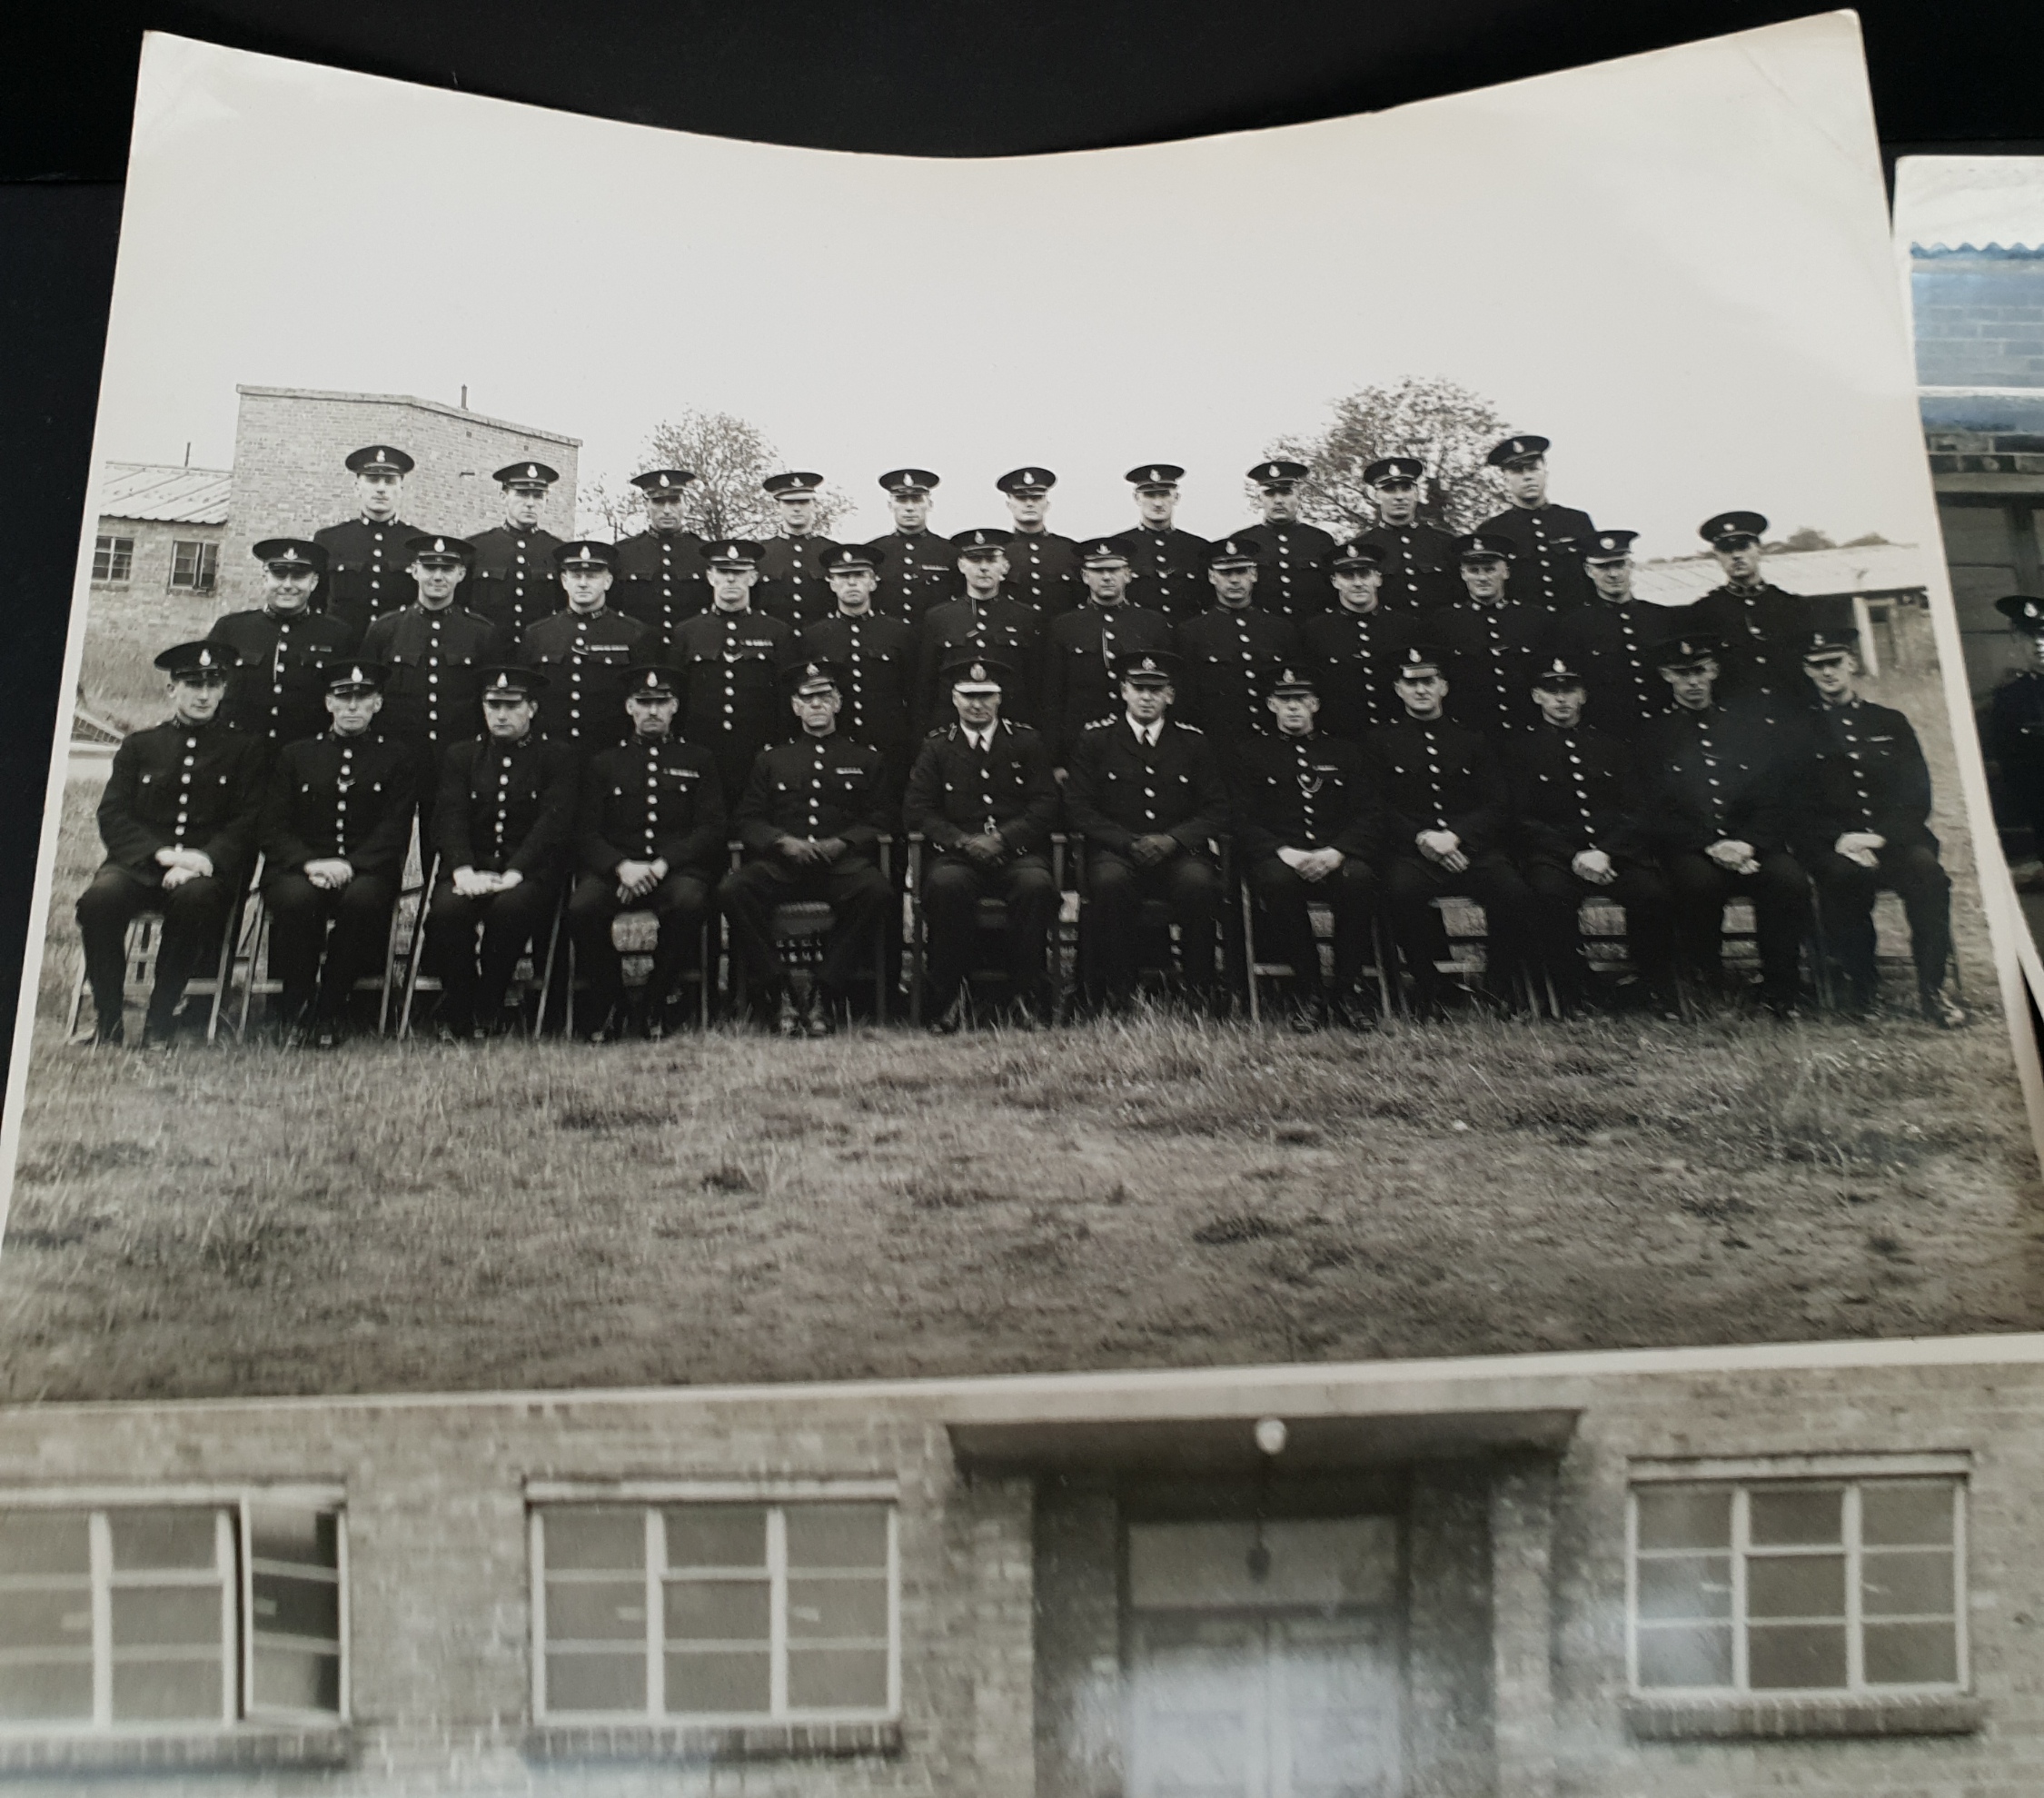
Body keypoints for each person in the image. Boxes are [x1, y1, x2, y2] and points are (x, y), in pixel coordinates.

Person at [75, 641, 265, 1047]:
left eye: (212, 685)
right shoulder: (139, 745)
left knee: (195, 900)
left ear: (223, 690)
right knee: (98, 901)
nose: (202, 695)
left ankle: (160, 1021)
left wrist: (202, 859)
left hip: (203, 872)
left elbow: (248, 821)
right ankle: (107, 1022)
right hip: (139, 866)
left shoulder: (244, 750)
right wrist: (161, 855)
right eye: (192, 684)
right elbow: (113, 814)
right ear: (171, 689)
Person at [1797, 627, 1967, 1026]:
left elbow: (1916, 793)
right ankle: (1861, 986)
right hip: (1834, 845)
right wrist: (1840, 840)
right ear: (1806, 671)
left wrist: (1878, 836)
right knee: (1841, 879)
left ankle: (1933, 990)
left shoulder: (1890, 721)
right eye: (1818, 666)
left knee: (1929, 877)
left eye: (1835, 663)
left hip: (1893, 838)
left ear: (1851, 663)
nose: (1828, 673)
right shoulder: (1797, 732)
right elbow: (1795, 803)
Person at [1636, 633, 1811, 1018]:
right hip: (1690, 847)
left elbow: (1772, 796)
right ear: (1667, 677)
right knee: (1700, 886)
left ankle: (1782, 989)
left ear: (1714, 671)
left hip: (1751, 845)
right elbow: (1652, 809)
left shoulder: (1747, 729)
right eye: (1682, 674)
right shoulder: (1653, 736)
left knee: (1788, 881)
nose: (1693, 682)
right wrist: (1711, 845)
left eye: (1699, 671)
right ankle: (1707, 985)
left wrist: (1747, 844)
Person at [719, 661, 895, 1037]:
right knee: (733, 890)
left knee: (877, 890)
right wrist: (782, 842)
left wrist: (843, 842)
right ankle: (777, 990)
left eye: (824, 697)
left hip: (839, 867)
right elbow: (747, 819)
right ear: (795, 707)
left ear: (838, 703)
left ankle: (825, 992)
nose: (816, 705)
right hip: (785, 866)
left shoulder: (865, 758)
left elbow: (881, 818)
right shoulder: (772, 759)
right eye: (807, 698)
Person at [1362, 644, 1534, 1018]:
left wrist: (1456, 837)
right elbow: (1377, 808)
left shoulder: (1472, 740)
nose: (1421, 690)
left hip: (1470, 850)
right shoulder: (1380, 742)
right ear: (1398, 690)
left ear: (1444, 687)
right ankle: (1430, 988)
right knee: (1400, 893)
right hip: (1412, 852)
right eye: (1412, 684)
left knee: (1514, 893)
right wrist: (1422, 838)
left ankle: (1497, 985)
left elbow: (1496, 803)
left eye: (1429, 682)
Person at [256, 659, 416, 1046]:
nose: (352, 708)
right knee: (297, 901)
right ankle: (296, 1008)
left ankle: (329, 1009)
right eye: (343, 698)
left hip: (367, 869)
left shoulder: (397, 757)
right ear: (328, 703)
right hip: (300, 867)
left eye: (363, 699)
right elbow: (273, 826)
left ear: (378, 704)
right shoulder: (296, 755)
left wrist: (351, 865)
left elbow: (394, 830)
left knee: (361, 903)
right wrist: (311, 863)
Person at [1506, 656, 1675, 1017]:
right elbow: (1522, 819)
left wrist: (1605, 852)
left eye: (1569, 691)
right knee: (1550, 895)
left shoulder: (1613, 747)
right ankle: (1572, 990)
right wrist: (1573, 855)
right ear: (1537, 697)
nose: (1561, 700)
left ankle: (1651, 988)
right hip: (1555, 855)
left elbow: (1638, 811)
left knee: (1652, 893)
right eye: (1552, 692)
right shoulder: (1521, 751)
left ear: (1583, 696)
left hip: (1615, 853)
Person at [1063, 651, 1230, 1013]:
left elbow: (1215, 808)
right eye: (1139, 688)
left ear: (1170, 695)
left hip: (1179, 852)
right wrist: (1126, 841)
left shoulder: (1192, 742)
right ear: (1123, 691)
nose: (1147, 697)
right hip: (1117, 852)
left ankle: (1199, 991)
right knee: (1108, 884)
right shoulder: (1097, 740)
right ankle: (1120, 991)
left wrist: (1174, 840)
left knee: (1200, 885)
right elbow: (1079, 807)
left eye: (1156, 690)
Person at [902, 653, 1062, 1032]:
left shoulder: (1026, 741)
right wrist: (961, 841)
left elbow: (1046, 803)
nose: (977, 704)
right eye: (968, 695)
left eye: (986, 695)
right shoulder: (938, 747)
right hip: (958, 856)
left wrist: (1005, 839)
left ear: (999, 698)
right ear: (954, 699)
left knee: (1036, 886)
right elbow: (918, 809)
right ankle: (950, 999)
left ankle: (1026, 997)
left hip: (1016, 853)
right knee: (945, 886)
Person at [568, 666, 726, 1041]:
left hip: (675, 870)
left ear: (675, 707)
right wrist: (620, 866)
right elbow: (585, 831)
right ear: (629, 708)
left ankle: (657, 995)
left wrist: (660, 865)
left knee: (690, 903)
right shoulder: (604, 763)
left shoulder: (699, 759)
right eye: (644, 703)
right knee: (582, 908)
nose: (653, 711)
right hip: (618, 872)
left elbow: (711, 828)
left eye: (662, 703)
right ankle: (611, 998)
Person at [423, 667, 579, 1041]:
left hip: (528, 873)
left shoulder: (556, 757)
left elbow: (551, 825)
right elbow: (451, 816)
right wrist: (462, 871)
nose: (501, 715)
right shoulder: (461, 756)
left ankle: (489, 1002)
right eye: (493, 705)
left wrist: (515, 872)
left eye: (512, 706)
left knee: (510, 910)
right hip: (472, 871)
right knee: (445, 914)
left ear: (532, 709)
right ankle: (462, 1000)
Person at [1231, 667, 1377, 1029]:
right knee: (1278, 884)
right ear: (1271, 705)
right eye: (1284, 701)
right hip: (1282, 856)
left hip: (1335, 855)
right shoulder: (1251, 754)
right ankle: (1309, 990)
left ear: (1315, 704)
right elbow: (1241, 817)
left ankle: (1346, 989)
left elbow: (1369, 812)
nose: (1293, 709)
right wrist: (1284, 851)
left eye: (1301, 701)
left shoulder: (1344, 752)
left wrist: (1336, 852)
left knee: (1359, 879)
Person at [358, 533, 503, 840]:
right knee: (384, 847)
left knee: (444, 845)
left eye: (448, 569)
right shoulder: (384, 629)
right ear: (414, 571)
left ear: (461, 575)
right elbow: (367, 697)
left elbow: (489, 700)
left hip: (456, 760)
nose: (438, 576)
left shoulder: (481, 633)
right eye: (429, 568)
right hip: (397, 758)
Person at [670, 539, 799, 803]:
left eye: (739, 573)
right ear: (710, 577)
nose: (731, 580)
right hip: (702, 745)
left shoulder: (777, 632)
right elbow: (676, 695)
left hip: (759, 748)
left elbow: (787, 699)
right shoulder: (686, 632)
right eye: (723, 572)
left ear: (752, 578)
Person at [206, 538, 354, 753]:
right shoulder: (231, 629)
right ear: (264, 578)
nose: (287, 585)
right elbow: (209, 691)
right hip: (239, 755)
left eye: (299, 577)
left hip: (307, 756)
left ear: (313, 583)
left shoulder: (337, 634)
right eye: (279, 575)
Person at [1041, 537, 1176, 769]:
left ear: (1128, 574)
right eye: (1098, 570)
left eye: (1114, 570)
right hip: (1080, 742)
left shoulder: (1152, 624)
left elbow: (1169, 691)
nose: (1106, 577)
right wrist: (1056, 761)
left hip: (1140, 741)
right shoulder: (1064, 626)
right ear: (1085, 576)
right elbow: (1052, 698)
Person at [1669, 511, 1813, 722]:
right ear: (1717, 556)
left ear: (1758, 550)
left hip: (1795, 721)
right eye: (1727, 550)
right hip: (1736, 726)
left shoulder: (1793, 607)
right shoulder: (1701, 613)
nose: (1736, 556)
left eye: (1743, 547)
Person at [518, 540, 650, 752]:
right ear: (563, 580)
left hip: (610, 750)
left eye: (592, 576)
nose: (583, 583)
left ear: (608, 581)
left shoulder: (633, 633)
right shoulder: (537, 633)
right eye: (576, 575)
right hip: (550, 751)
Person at [1548, 530, 1675, 744]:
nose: (1613, 574)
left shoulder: (1661, 617)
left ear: (1630, 566)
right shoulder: (1573, 626)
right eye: (1603, 567)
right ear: (1589, 570)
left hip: (1667, 731)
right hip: (1610, 735)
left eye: (1619, 564)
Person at [803, 543, 917, 780]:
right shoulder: (814, 636)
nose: (851, 583)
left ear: (873, 582)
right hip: (837, 743)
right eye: (843, 577)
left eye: (859, 576)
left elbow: (915, 692)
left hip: (890, 743)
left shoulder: (899, 633)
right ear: (832, 583)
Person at [915, 528, 1045, 728]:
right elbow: (926, 684)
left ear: (1005, 567)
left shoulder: (1026, 617)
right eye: (975, 561)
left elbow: (1036, 682)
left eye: (991, 561)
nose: (983, 568)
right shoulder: (939, 617)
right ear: (961, 566)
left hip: (1013, 726)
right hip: (951, 727)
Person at [1175, 537, 1300, 742]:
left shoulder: (1280, 629)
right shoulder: (1191, 632)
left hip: (1274, 741)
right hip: (1219, 739)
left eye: (1241, 572)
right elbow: (1187, 696)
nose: (1234, 580)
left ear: (1254, 575)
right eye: (1225, 573)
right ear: (1212, 577)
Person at [1431, 531, 1546, 743]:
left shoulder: (1533, 618)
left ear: (1506, 572)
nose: (1482, 578)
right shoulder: (1444, 622)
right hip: (1472, 734)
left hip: (1527, 731)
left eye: (1490, 569)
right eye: (1474, 571)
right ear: (1463, 574)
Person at [313, 444, 423, 647]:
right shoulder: (329, 540)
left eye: (390, 481)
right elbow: (316, 603)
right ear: (357, 487)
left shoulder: (418, 544)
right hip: (342, 649)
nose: (381, 488)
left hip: (397, 650)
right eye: (372, 479)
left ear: (401, 489)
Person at [1474, 433, 1596, 613]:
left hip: (1577, 627)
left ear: (1545, 472)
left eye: (1533, 469)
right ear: (1505, 479)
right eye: (1517, 471)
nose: (1527, 477)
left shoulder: (1577, 521)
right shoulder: (1491, 530)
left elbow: (1596, 578)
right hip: (1523, 630)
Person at [1300, 539, 1404, 741]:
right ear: (1335, 581)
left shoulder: (1404, 627)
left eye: (1365, 574)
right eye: (1348, 576)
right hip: (1341, 736)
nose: (1357, 583)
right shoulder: (1314, 630)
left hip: (1396, 734)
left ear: (1378, 578)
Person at [467, 461, 568, 646]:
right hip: (488, 652)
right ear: (503, 497)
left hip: (540, 653)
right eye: (521, 494)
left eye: (538, 496)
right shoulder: (476, 548)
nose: (530, 503)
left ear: (547, 502)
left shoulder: (558, 552)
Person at [613, 469, 707, 653]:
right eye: (658, 501)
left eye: (674, 501)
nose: (666, 510)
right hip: (639, 652)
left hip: (691, 651)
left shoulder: (704, 552)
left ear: (686, 504)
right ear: (645, 504)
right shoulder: (622, 553)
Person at [1230, 460, 1335, 619]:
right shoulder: (1242, 540)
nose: (1278, 500)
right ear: (1259, 498)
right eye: (1270, 493)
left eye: (1286, 492)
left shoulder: (1320, 540)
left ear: (1300, 495)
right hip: (1263, 632)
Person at [1987, 593, 2044, 884]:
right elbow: (2009, 761)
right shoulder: (2009, 698)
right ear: (2018, 640)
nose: (2039, 643)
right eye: (2030, 635)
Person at [1354, 456, 1458, 612]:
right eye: (1390, 490)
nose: (1399, 497)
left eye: (1406, 488)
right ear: (1376, 496)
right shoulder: (1361, 548)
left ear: (1416, 493)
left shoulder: (1445, 542)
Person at [1109, 464, 1211, 619]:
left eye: (1164, 494)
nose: (1157, 503)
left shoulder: (1198, 547)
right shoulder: (1119, 547)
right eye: (1150, 495)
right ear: (1137, 498)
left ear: (1176, 498)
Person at [865, 469, 955, 624]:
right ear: (890, 505)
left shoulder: (950, 552)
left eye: (917, 500)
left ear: (930, 504)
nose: (910, 507)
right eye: (902, 500)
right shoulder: (872, 552)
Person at [758, 472, 839, 631]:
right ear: (778, 507)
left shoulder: (832, 552)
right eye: (789, 503)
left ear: (814, 505)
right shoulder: (761, 552)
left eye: (803, 502)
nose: (796, 508)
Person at [996, 466, 1083, 616]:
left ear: (1047, 504)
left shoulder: (1070, 550)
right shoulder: (999, 551)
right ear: (1009, 505)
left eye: (1037, 497)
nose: (1029, 503)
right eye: (1021, 498)